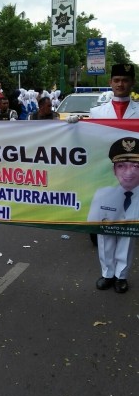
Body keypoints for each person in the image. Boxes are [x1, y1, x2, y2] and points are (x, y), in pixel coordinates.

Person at [88, 63, 139, 293]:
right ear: (110, 82)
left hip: (135, 177)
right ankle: (106, 273)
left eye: (125, 80)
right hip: (107, 176)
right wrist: (74, 127)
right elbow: (89, 142)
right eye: (117, 80)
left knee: (128, 229)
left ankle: (121, 275)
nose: (121, 84)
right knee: (106, 227)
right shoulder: (98, 112)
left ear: (132, 83)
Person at [88, 137, 139, 293]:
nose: (128, 172)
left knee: (127, 240)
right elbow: (92, 221)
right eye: (121, 166)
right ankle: (107, 274)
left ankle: (121, 276)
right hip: (108, 216)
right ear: (114, 170)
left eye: (136, 166)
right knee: (105, 238)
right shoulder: (102, 194)